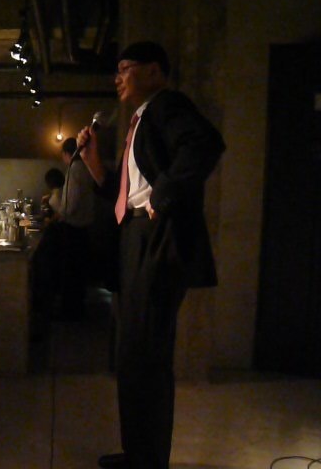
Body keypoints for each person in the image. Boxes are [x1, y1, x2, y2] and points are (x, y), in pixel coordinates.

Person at [77, 41, 225, 469]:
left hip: (155, 238)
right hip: (135, 236)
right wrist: (91, 160)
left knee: (148, 356)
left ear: (155, 71)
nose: (118, 77)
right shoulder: (140, 119)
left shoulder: (166, 105)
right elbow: (123, 192)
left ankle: (149, 460)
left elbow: (205, 143)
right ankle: (138, 453)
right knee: (132, 354)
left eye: (126, 68)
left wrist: (164, 194)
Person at [31, 137, 95, 328]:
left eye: (63, 155)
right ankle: (75, 310)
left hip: (74, 229)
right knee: (77, 273)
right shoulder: (86, 167)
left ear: (68, 153)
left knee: (71, 273)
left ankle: (70, 312)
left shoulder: (75, 169)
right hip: (84, 228)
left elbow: (70, 205)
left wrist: (55, 214)